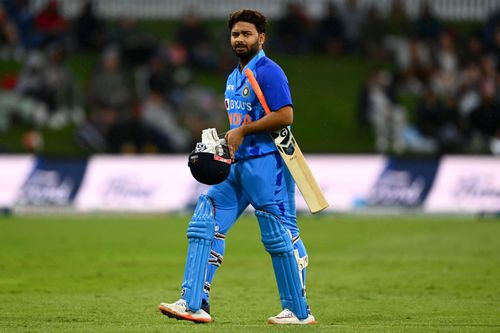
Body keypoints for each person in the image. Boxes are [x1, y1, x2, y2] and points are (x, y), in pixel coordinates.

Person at [158, 9, 316, 325]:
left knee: (278, 233)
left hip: (268, 165)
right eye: (235, 34)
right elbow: (240, 122)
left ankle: (299, 312)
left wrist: (243, 131)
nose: (240, 39)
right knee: (206, 216)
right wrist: (226, 140)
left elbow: (285, 116)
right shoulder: (234, 76)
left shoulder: (269, 72)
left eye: (246, 34)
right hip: (237, 165)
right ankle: (193, 302)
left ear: (261, 37)